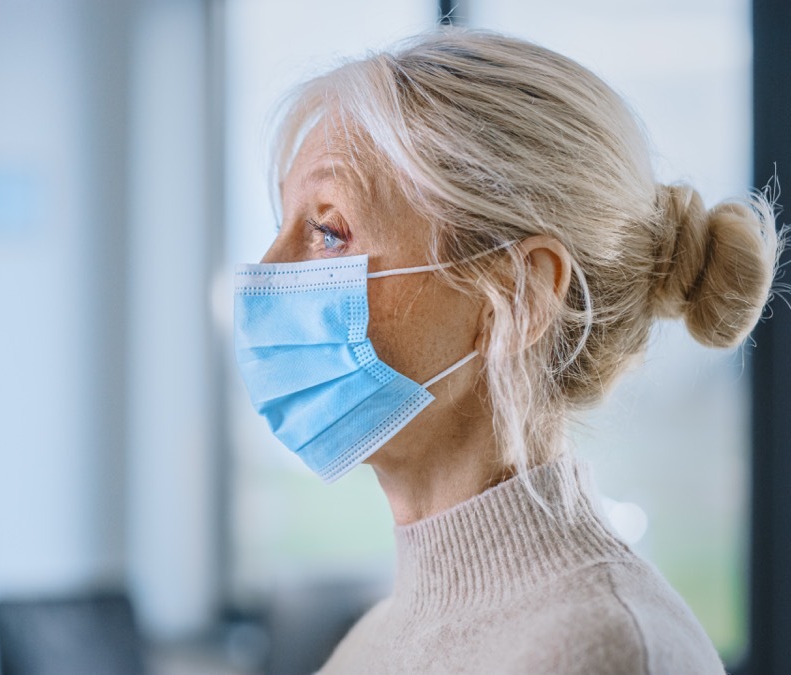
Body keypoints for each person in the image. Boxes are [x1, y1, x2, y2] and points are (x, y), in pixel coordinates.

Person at [232, 29, 781, 674]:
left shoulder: (609, 650)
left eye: (328, 231)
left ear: (518, 300)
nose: (267, 272)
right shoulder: (373, 641)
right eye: (281, 227)